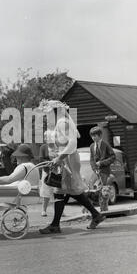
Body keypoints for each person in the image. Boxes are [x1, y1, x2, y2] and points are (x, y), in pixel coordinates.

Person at [38, 100, 106, 234]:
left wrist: (59, 157)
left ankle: (56, 225)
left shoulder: (63, 123)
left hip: (68, 159)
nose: (46, 116)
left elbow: (73, 143)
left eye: (47, 113)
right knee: (64, 190)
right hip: (67, 158)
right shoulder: (62, 122)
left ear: (54, 112)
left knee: (65, 189)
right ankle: (94, 215)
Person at [39, 130, 57, 216]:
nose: (45, 138)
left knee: (57, 191)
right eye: (45, 137)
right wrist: (49, 162)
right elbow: (41, 159)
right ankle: (43, 210)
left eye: (47, 137)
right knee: (46, 191)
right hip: (46, 172)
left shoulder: (57, 146)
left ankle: (58, 210)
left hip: (57, 171)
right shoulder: (43, 147)